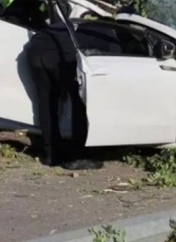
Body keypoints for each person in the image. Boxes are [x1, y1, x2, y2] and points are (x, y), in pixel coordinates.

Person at [25, 17, 120, 171]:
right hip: (62, 55)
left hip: (35, 50)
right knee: (80, 102)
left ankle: (50, 155)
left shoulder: (81, 24)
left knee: (47, 101)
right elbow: (116, 63)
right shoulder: (109, 35)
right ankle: (78, 156)